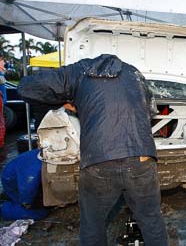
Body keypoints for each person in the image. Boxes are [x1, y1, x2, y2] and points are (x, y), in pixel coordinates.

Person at [17, 54, 168, 246]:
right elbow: (151, 110)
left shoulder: (77, 71)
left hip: (99, 162)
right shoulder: (133, 72)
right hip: (142, 159)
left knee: (93, 225)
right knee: (152, 221)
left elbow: (26, 87)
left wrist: (64, 102)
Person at [1, 148, 48, 220]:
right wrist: (27, 203)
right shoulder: (33, 173)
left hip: (17, 171)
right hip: (12, 182)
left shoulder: (45, 152)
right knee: (40, 213)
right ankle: (4, 209)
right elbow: (26, 199)